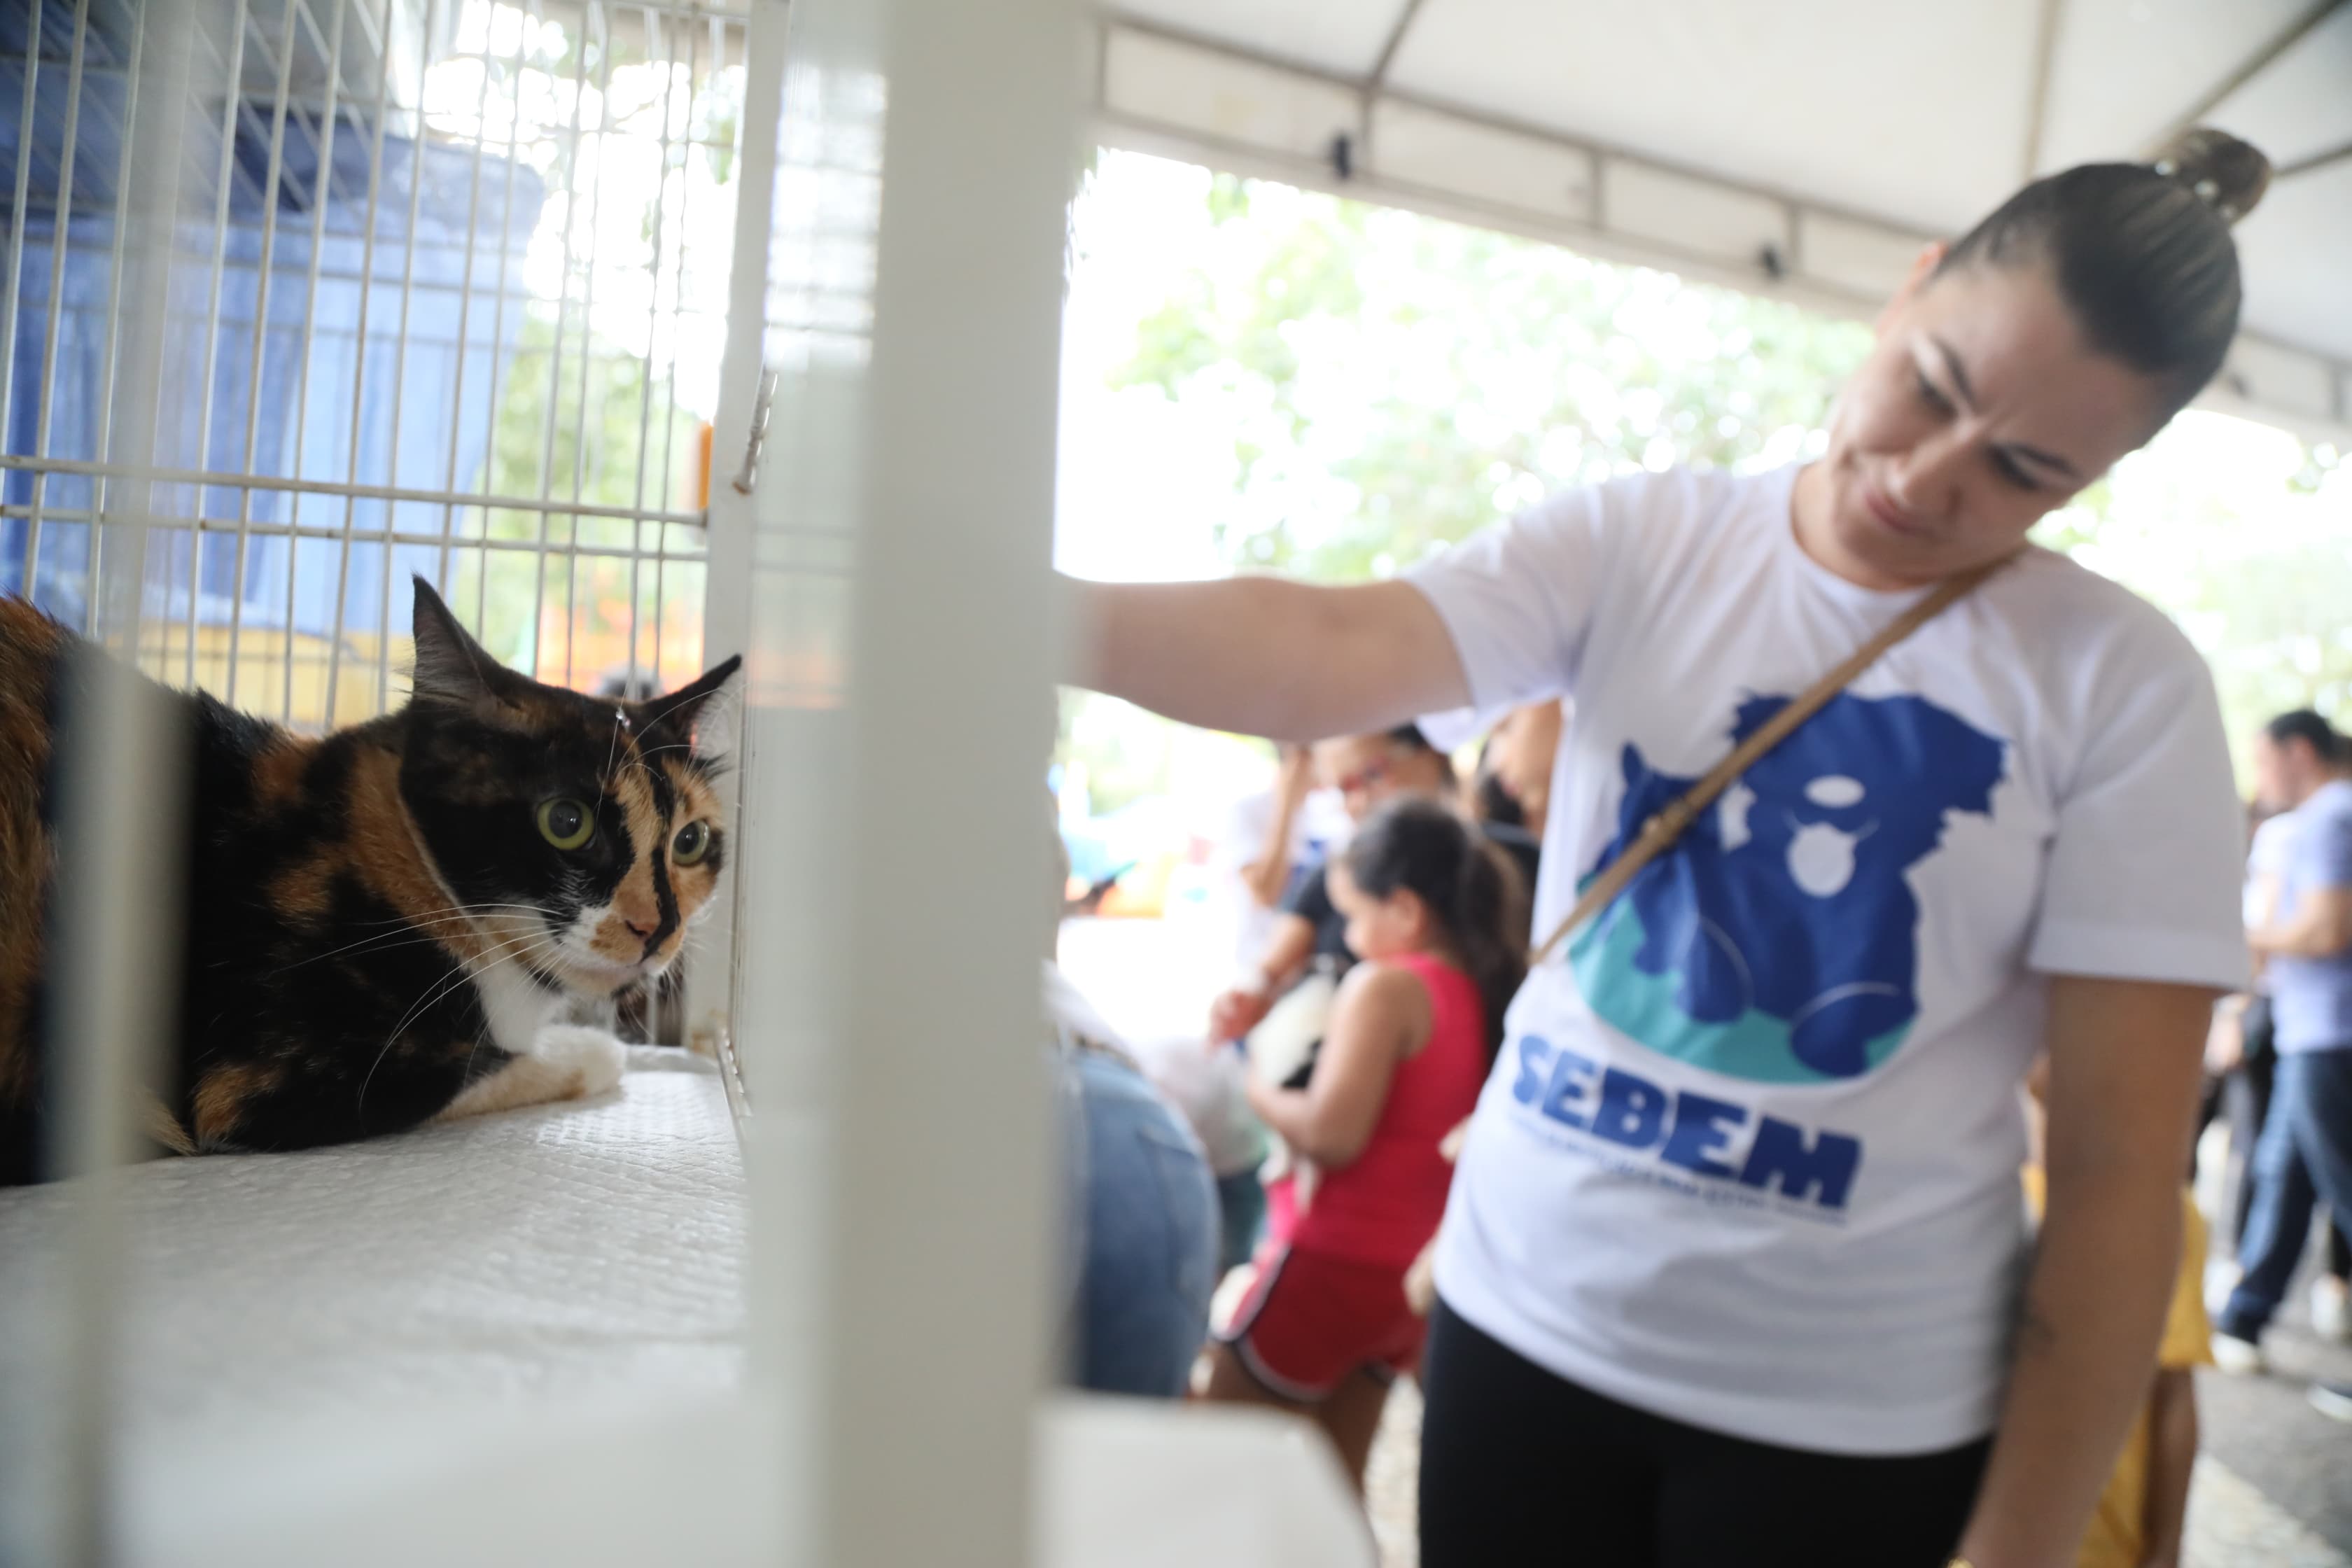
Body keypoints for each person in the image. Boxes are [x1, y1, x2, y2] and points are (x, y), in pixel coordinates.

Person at [1065, 128, 2266, 1565]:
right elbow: (1332, 645)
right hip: (1525, 1323)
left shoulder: (2118, 685)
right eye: (1929, 388)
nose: (1926, 479)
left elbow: (2124, 1171)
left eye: (2023, 469)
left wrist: (2018, 1544)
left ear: (2104, 469)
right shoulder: (1650, 539)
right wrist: (1024, 604)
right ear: (1913, 286)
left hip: (1854, 1417)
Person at [1205, 798, 1525, 1490]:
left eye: (1353, 915)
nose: (1347, 937)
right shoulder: (1479, 988)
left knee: (1212, 1463)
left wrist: (1257, 1079)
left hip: (1329, 1261)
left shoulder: (1386, 984)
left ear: (1405, 909)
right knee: (1337, 1485)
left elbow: (1333, 1134)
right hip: (1402, 1281)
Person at [2215, 711, 2352, 1421]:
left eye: (2265, 762)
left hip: (2332, 1032)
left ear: (2299, 752)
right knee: (2284, 1173)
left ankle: (2243, 1314)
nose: (2260, 780)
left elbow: (2327, 928)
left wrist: (2236, 937)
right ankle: (2244, 1315)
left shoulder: (2331, 820)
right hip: (2313, 1031)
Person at [2021, 1059, 2208, 1568]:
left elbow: (2173, 1392)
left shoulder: (2163, 1211)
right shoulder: (1973, 1199)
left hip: (2105, 1543)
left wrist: (2167, 1544)